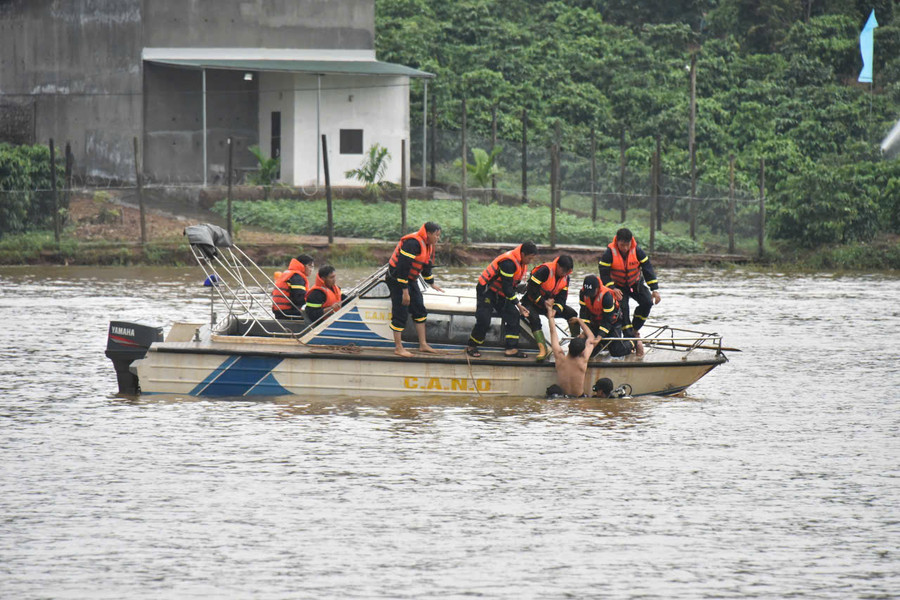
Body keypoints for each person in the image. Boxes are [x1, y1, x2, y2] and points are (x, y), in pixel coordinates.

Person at [466, 242, 538, 359]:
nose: (530, 261)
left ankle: (511, 349)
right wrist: (519, 305)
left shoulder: (520, 261)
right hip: (487, 291)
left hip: (502, 294)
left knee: (513, 315)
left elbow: (509, 287)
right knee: (484, 318)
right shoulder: (508, 263)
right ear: (523, 254)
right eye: (529, 258)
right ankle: (472, 346)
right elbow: (507, 288)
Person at [386, 222, 445, 357]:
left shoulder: (427, 245)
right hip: (397, 279)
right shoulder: (412, 243)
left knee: (419, 308)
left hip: (410, 279)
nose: (438, 238)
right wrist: (405, 292)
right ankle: (398, 347)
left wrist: (431, 283)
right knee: (400, 311)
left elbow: (425, 265)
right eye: (436, 235)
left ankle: (423, 344)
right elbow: (403, 268)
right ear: (428, 234)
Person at [598, 228, 660, 354]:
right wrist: (613, 289)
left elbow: (648, 269)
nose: (625, 248)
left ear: (631, 242)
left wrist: (655, 289)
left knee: (648, 302)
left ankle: (635, 330)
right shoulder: (609, 253)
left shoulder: (637, 251)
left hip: (635, 284)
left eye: (627, 245)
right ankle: (631, 342)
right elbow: (604, 273)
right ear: (617, 242)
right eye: (622, 245)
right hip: (618, 287)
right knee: (624, 309)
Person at [521, 254, 579, 361]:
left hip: (549, 305)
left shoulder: (566, 278)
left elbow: (562, 298)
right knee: (534, 319)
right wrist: (545, 303)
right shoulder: (545, 270)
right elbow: (532, 290)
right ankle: (543, 349)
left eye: (567, 271)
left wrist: (555, 309)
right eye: (563, 270)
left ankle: (576, 345)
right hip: (532, 302)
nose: (564, 273)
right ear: (558, 265)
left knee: (572, 314)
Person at [546, 304, 603, 396]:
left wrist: (550, 314)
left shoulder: (560, 358)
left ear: (568, 347)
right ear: (582, 352)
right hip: (579, 398)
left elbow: (553, 332)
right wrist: (580, 321)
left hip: (564, 398)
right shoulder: (583, 360)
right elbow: (591, 337)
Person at [578, 275, 637, 357]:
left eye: (592, 293)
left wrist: (599, 337)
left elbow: (608, 320)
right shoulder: (583, 294)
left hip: (613, 323)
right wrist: (585, 332)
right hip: (595, 322)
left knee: (617, 351)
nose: (589, 295)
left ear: (598, 288)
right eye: (587, 293)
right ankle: (602, 344)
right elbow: (584, 314)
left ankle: (634, 342)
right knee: (587, 349)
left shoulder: (606, 296)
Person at [272, 254, 314, 319]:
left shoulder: (288, 274)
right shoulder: (297, 277)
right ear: (303, 266)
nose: (311, 270)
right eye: (310, 266)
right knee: (316, 312)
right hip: (287, 312)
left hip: (279, 312)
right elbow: (299, 299)